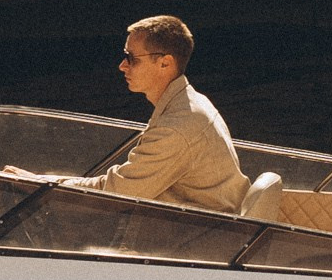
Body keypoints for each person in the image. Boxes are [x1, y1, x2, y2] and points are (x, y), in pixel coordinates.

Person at [73, 14, 249, 213]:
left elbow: (114, 194)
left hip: (190, 237)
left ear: (165, 63)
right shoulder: (193, 103)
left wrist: (40, 182)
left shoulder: (176, 127)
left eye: (131, 58)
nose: (122, 66)